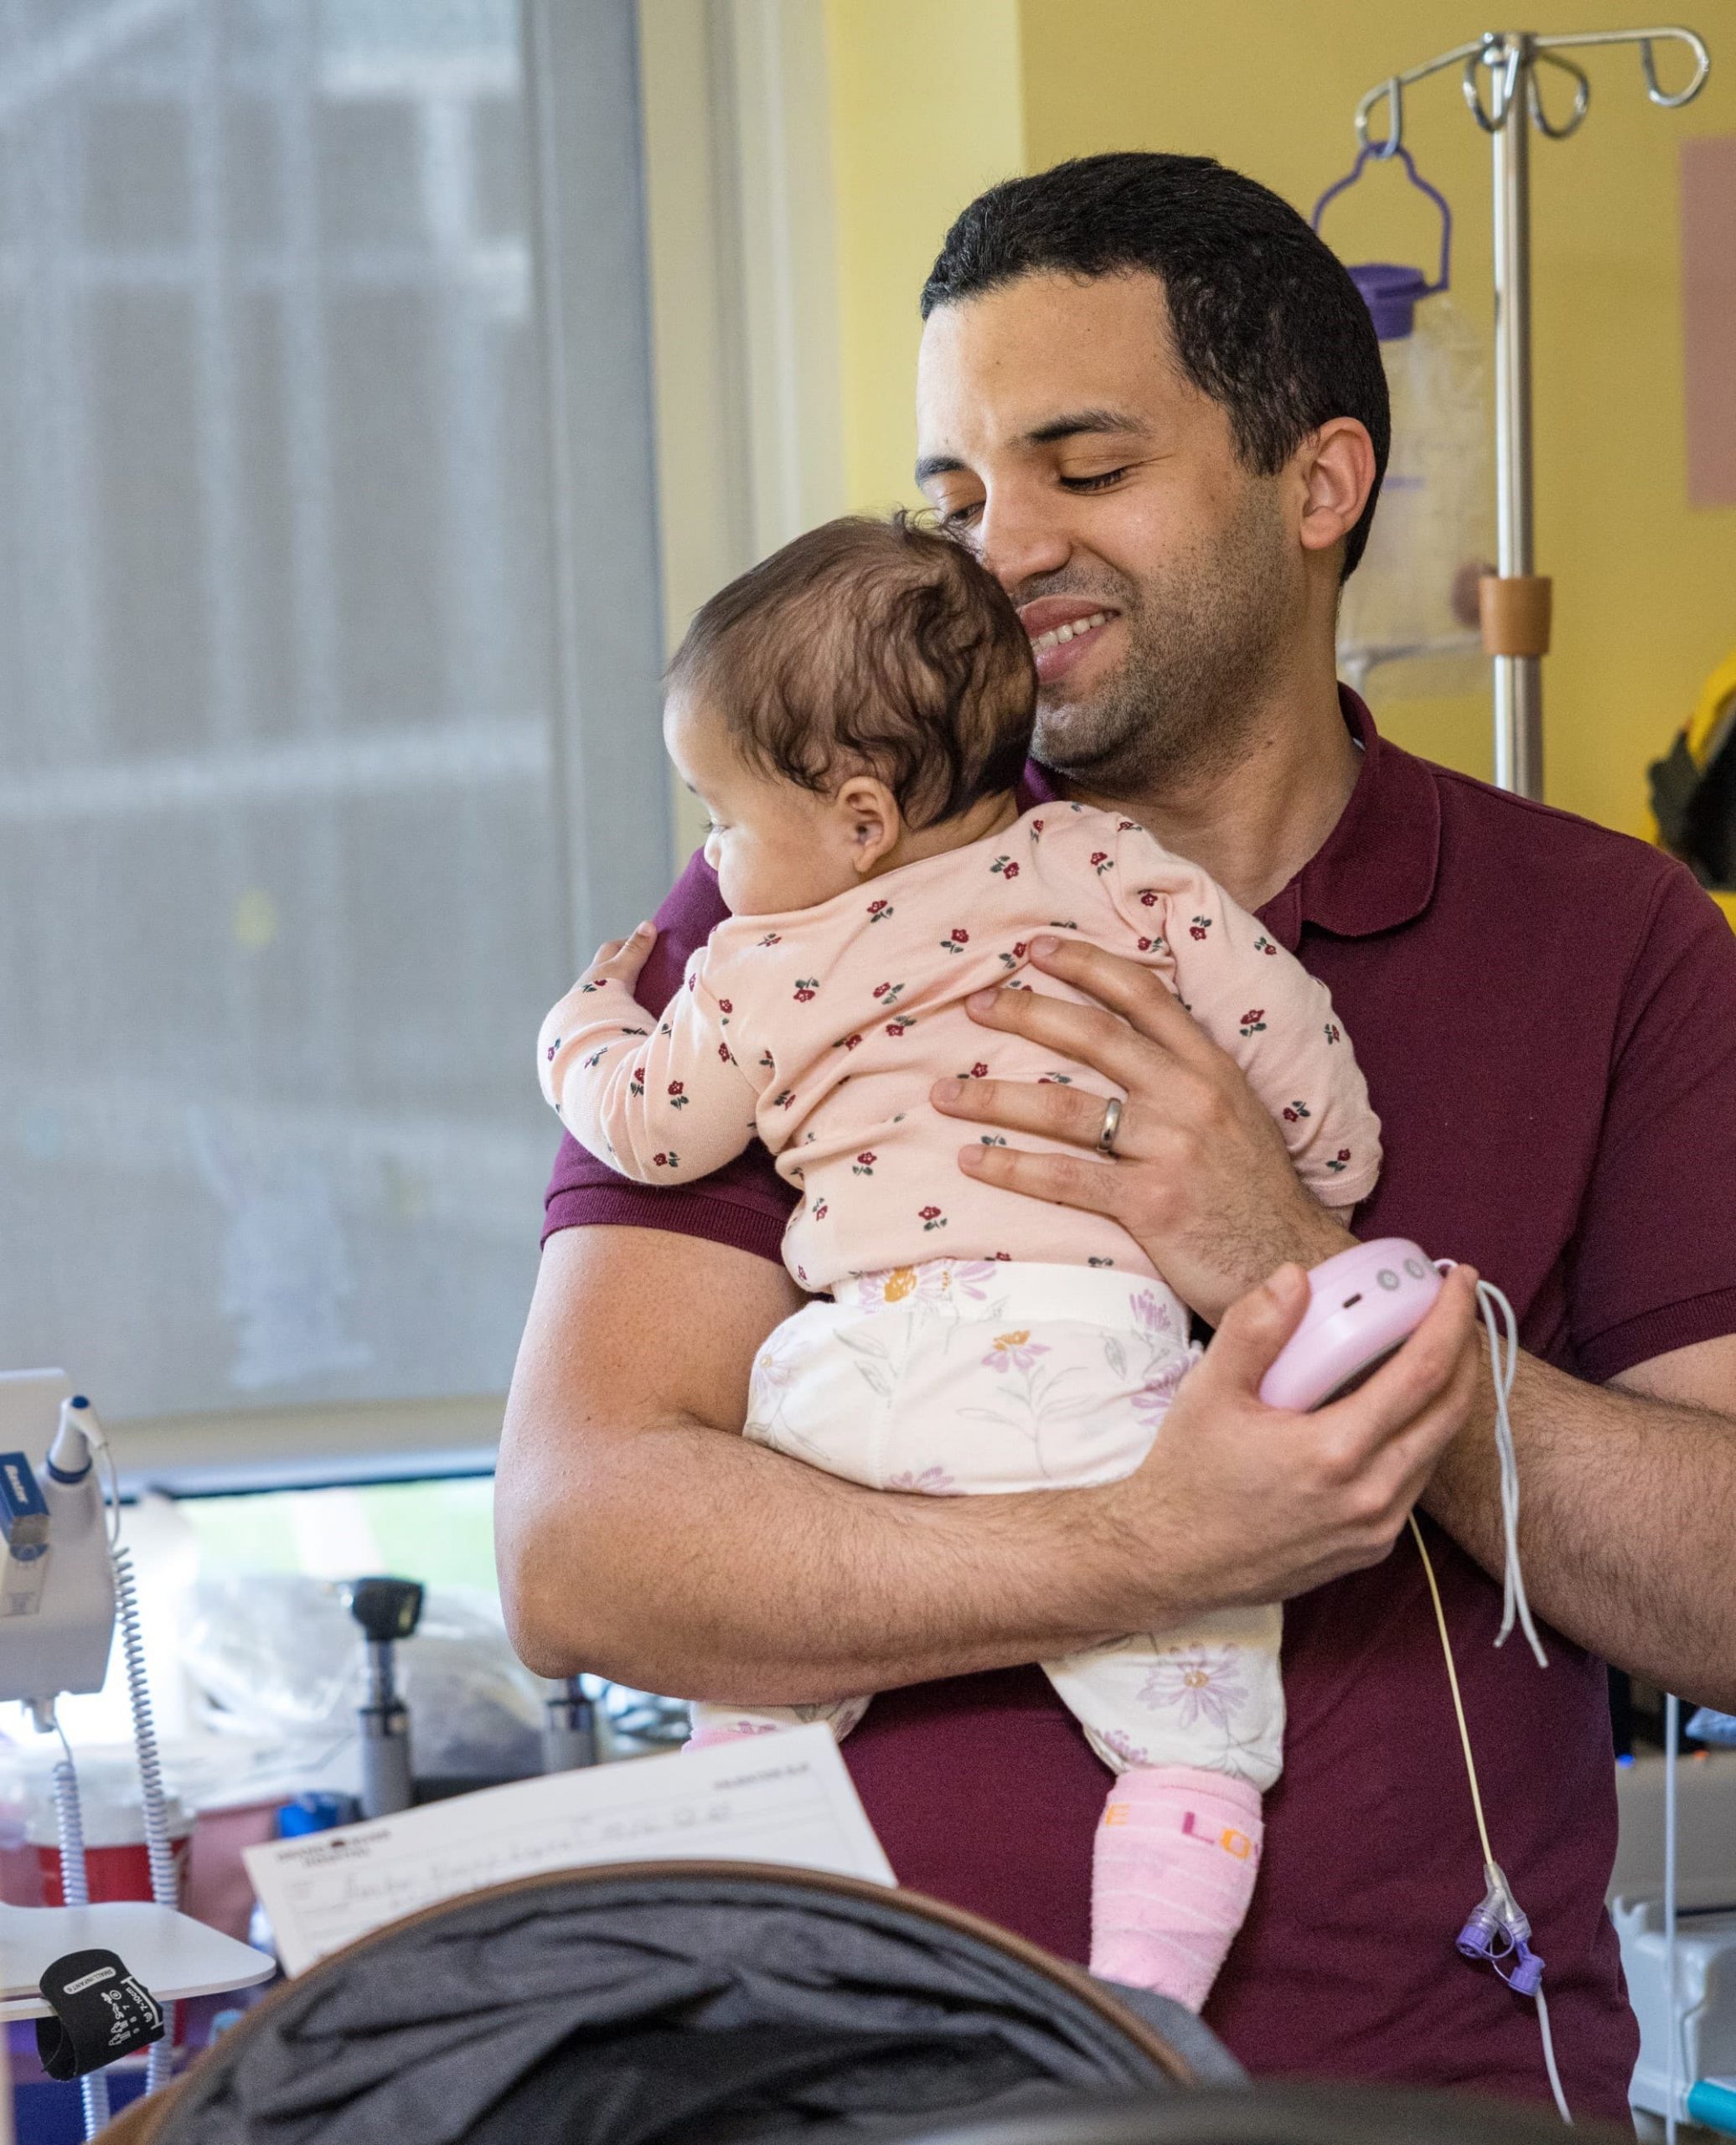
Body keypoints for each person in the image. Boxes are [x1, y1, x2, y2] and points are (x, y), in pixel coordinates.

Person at [497, 152, 1736, 2118]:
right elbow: (578, 1550)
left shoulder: (1608, 940)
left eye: (1084, 466)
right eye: (958, 494)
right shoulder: (794, 885)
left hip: (1403, 2098)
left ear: (1317, 485)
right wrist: (1140, 1544)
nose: (1001, 551)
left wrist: (1293, 1272)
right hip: (841, 2088)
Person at [540, 511, 1383, 2007]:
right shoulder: (1119, 871)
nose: (708, 856)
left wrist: (580, 1030)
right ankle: (1146, 2008)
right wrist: (1309, 1184)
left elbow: (650, 1130)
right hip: (1093, 1369)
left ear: (860, 818)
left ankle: (764, 1932)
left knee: (757, 1680)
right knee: (1192, 1727)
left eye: (718, 816)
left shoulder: (756, 960)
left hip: (856, 1380)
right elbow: (1299, 1064)